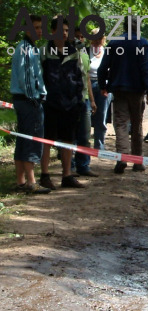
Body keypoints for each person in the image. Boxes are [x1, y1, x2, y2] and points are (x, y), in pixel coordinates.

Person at [98, 25, 148, 173]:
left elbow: (103, 67)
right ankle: (138, 162)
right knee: (136, 125)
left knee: (121, 123)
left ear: (124, 27)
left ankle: (122, 158)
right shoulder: (143, 43)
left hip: (119, 90)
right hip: (137, 90)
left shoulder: (114, 43)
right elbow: (147, 68)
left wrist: (102, 85)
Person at [39, 17, 85, 190]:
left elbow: (80, 76)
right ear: (52, 32)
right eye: (61, 30)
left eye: (67, 30)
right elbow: (38, 76)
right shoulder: (44, 51)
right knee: (47, 140)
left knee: (68, 140)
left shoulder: (74, 52)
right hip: (50, 103)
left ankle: (67, 176)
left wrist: (79, 100)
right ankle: (45, 176)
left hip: (71, 104)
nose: (65, 33)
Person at [9, 14, 49, 193]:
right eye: (36, 27)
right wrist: (34, 99)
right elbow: (26, 78)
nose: (40, 31)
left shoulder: (31, 47)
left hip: (25, 100)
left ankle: (21, 182)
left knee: (23, 139)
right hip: (28, 101)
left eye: (41, 27)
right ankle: (31, 182)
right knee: (31, 140)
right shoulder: (25, 48)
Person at [70, 26, 98, 177]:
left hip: (84, 99)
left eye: (82, 37)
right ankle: (70, 167)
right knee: (70, 135)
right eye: (77, 36)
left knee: (85, 135)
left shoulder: (85, 53)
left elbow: (87, 77)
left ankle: (84, 166)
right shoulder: (65, 52)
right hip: (70, 99)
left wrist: (92, 100)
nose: (80, 39)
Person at [87, 33, 109, 149]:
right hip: (88, 84)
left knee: (101, 116)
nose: (97, 40)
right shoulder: (85, 51)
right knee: (86, 115)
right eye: (95, 38)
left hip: (103, 86)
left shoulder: (107, 52)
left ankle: (99, 145)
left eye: (100, 38)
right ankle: (84, 144)